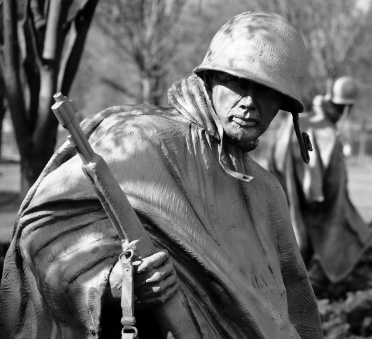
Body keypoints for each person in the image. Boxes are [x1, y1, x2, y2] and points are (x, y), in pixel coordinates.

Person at [0, 12, 323, 339]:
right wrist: (119, 284)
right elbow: (42, 239)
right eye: (239, 83)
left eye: (267, 91)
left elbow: (294, 301)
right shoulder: (136, 141)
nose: (250, 103)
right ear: (210, 79)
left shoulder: (267, 191)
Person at [268, 76, 372, 295]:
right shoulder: (321, 130)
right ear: (346, 107)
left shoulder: (303, 123)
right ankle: (310, 291)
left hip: (290, 198)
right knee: (329, 241)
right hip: (313, 205)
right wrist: (315, 196)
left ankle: (305, 292)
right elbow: (312, 183)